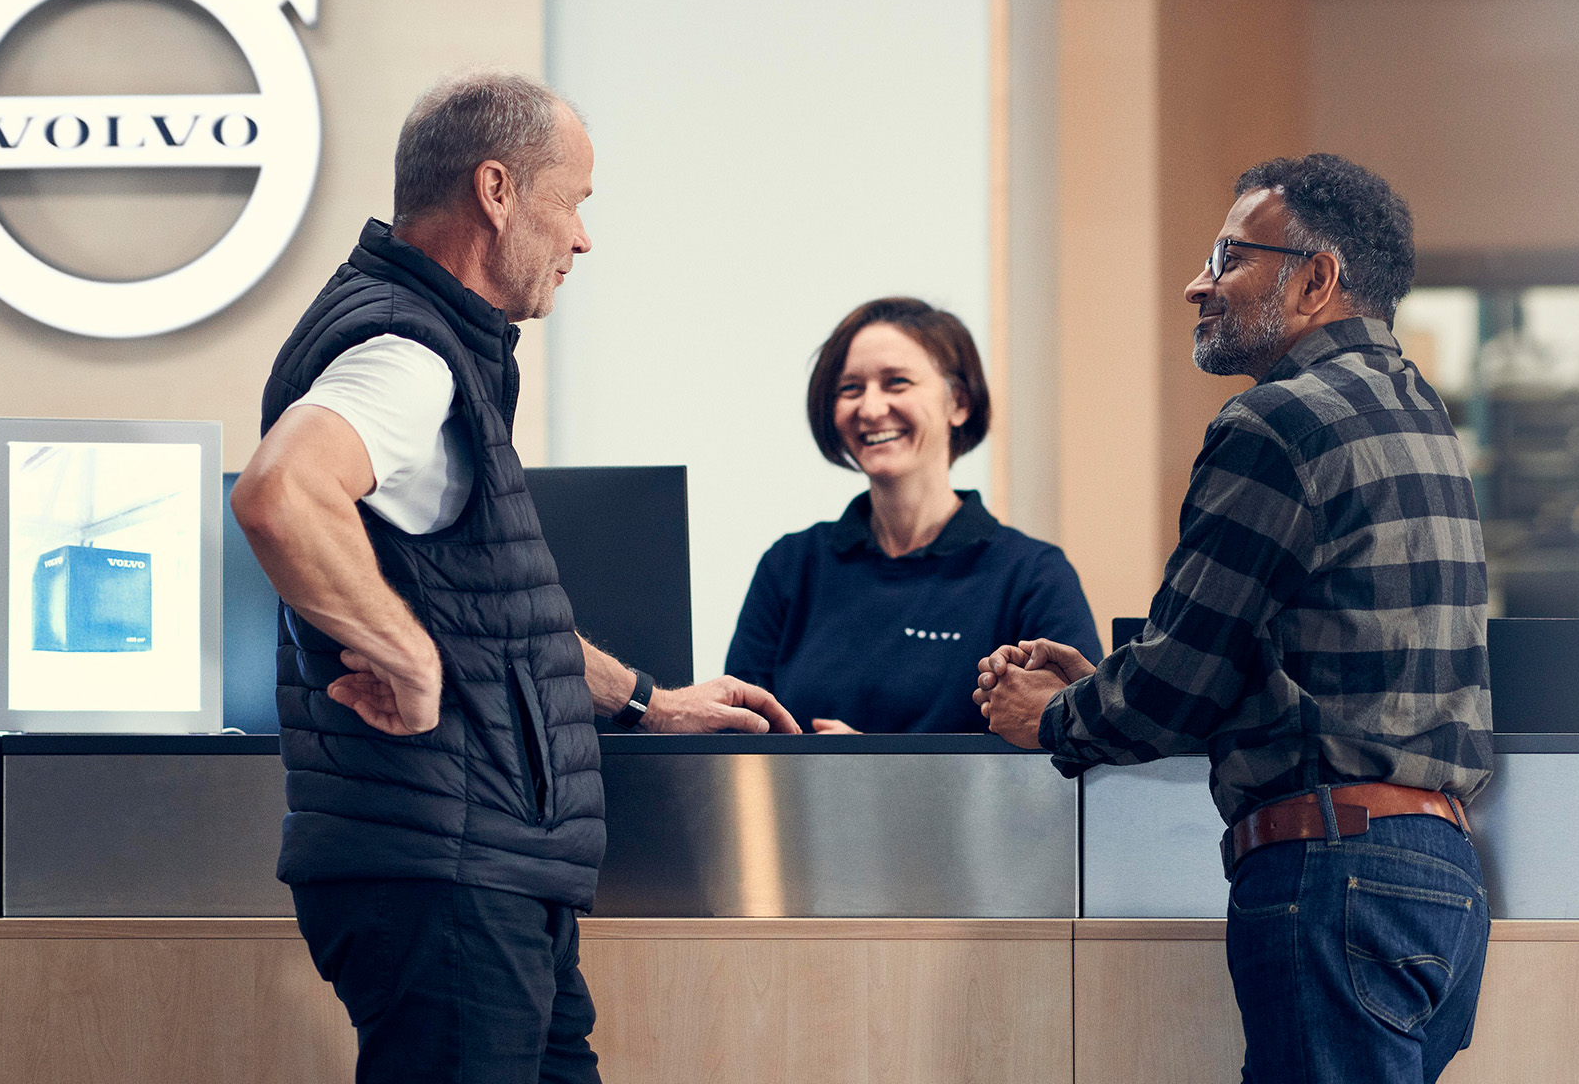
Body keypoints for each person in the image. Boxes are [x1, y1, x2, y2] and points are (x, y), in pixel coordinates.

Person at [231, 69, 798, 1084]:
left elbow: (496, 626)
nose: (583, 238)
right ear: (496, 192)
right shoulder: (406, 352)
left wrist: (649, 703)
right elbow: (279, 492)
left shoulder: (442, 347)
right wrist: (401, 654)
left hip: (483, 866)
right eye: (572, 201)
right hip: (444, 870)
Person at [974, 154, 1493, 1084]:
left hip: (1332, 873)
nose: (1196, 284)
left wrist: (1051, 716)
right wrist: (1105, 682)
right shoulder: (1415, 413)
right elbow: (1318, 655)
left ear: (1316, 280)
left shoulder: (1277, 423)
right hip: (1439, 881)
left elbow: (1182, 680)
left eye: (1228, 256)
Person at [726, 297, 1100, 733]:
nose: (870, 408)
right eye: (850, 389)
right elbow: (738, 744)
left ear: (958, 402)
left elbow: (1071, 745)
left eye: (896, 383)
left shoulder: (1032, 575)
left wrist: (873, 769)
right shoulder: (789, 567)